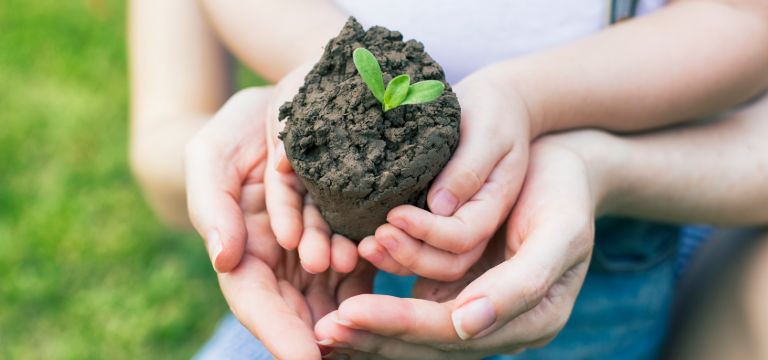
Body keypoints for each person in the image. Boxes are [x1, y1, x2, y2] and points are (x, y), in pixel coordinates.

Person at [128, 0, 768, 358]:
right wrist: (322, 65)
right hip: (316, 277)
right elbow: (163, 141)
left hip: (606, 252)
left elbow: (744, 20)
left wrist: (544, 112)